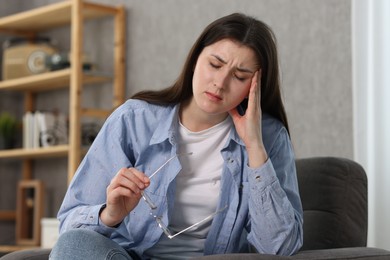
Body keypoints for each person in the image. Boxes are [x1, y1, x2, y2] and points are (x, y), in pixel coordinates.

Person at [50, 12, 303, 260]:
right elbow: (69, 227)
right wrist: (110, 214)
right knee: (74, 244)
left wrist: (255, 146)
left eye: (239, 76)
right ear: (195, 60)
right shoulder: (133, 120)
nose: (220, 82)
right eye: (214, 64)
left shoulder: (270, 137)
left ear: (253, 87)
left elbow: (280, 249)